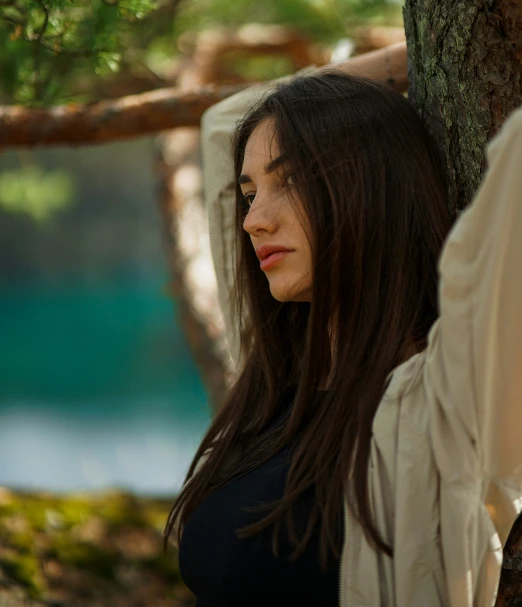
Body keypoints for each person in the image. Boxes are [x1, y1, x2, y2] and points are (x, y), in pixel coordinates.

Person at [164, 43, 522, 607]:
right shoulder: (282, 374)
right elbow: (226, 125)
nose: (254, 220)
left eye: (290, 181)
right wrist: (416, 55)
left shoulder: (442, 404)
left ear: (372, 183)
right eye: (251, 194)